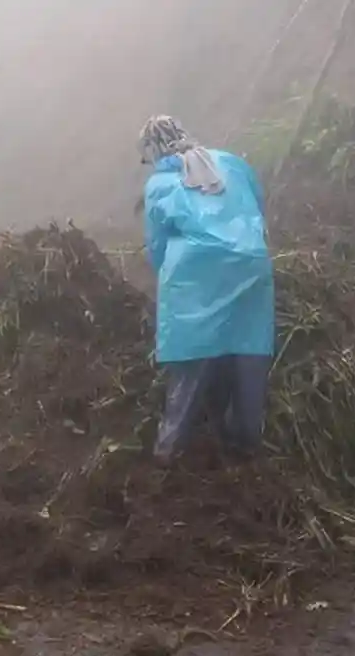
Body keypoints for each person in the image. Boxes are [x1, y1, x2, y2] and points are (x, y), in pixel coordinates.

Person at [138, 116, 275, 465]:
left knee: (192, 357)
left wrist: (168, 282)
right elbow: (257, 207)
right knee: (247, 347)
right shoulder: (231, 162)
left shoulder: (160, 183)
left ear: (152, 151)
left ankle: (170, 451)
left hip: (197, 275)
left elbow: (157, 247)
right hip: (251, 263)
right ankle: (246, 445)